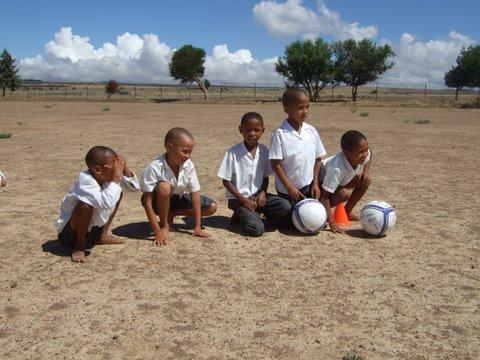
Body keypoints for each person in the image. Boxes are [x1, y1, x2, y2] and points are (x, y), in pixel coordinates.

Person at [55, 146, 140, 263]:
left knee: (117, 193)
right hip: (70, 234)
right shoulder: (85, 181)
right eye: (112, 168)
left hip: (91, 230)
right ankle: (79, 246)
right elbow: (106, 203)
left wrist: (124, 169)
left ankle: (101, 235)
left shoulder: (105, 177)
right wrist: (116, 178)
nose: (116, 171)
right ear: (98, 169)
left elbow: (134, 188)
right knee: (85, 205)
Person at [218, 112, 291, 237]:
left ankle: (255, 215)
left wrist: (263, 193)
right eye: (248, 130)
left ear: (262, 131)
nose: (252, 133)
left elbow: (265, 177)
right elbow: (226, 181)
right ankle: (240, 217)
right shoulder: (233, 152)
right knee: (257, 230)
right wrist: (244, 200)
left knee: (285, 205)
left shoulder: (264, 151)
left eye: (257, 130)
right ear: (241, 130)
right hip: (239, 199)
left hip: (258, 197)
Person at [140, 127, 217, 246]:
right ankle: (165, 225)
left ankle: (172, 213)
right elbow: (147, 202)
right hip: (157, 202)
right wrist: (157, 232)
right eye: (185, 151)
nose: (188, 156)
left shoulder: (189, 165)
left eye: (190, 152)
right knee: (164, 187)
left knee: (211, 207)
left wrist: (197, 227)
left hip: (177, 199)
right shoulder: (154, 168)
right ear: (170, 147)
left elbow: (194, 194)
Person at [269, 88, 327, 204]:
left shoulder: (311, 130)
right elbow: (275, 164)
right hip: (287, 190)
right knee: (290, 215)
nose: (305, 112)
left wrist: (315, 183)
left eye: (307, 107)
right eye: (300, 108)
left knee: (314, 214)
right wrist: (290, 187)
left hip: (309, 186)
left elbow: (318, 159)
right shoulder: (280, 134)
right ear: (287, 109)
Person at [319, 130, 372, 233]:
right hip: (321, 185)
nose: (365, 154)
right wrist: (332, 223)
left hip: (341, 181)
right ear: (347, 153)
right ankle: (321, 214)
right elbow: (324, 197)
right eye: (361, 152)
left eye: (366, 150)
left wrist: (366, 171)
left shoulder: (363, 154)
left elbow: (370, 154)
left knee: (366, 180)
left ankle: (346, 212)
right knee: (344, 194)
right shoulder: (337, 169)